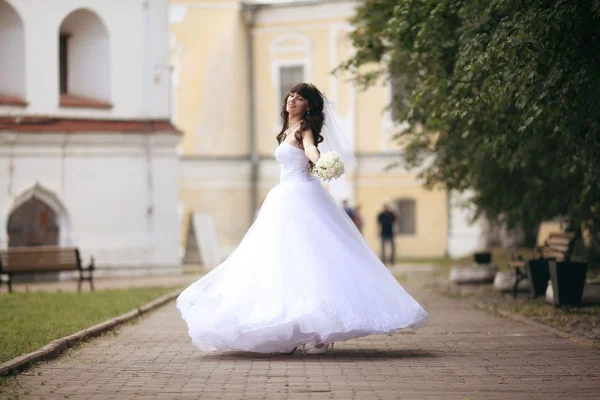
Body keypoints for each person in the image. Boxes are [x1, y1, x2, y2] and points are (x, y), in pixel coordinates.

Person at [177, 83, 427, 355]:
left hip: (301, 196)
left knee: (314, 256)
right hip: (283, 196)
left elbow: (309, 149)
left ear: (309, 106)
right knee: (284, 260)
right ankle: (291, 330)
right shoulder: (285, 130)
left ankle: (322, 331)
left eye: (300, 98)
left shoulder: (304, 129)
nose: (292, 100)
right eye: (291, 96)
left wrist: (320, 161)